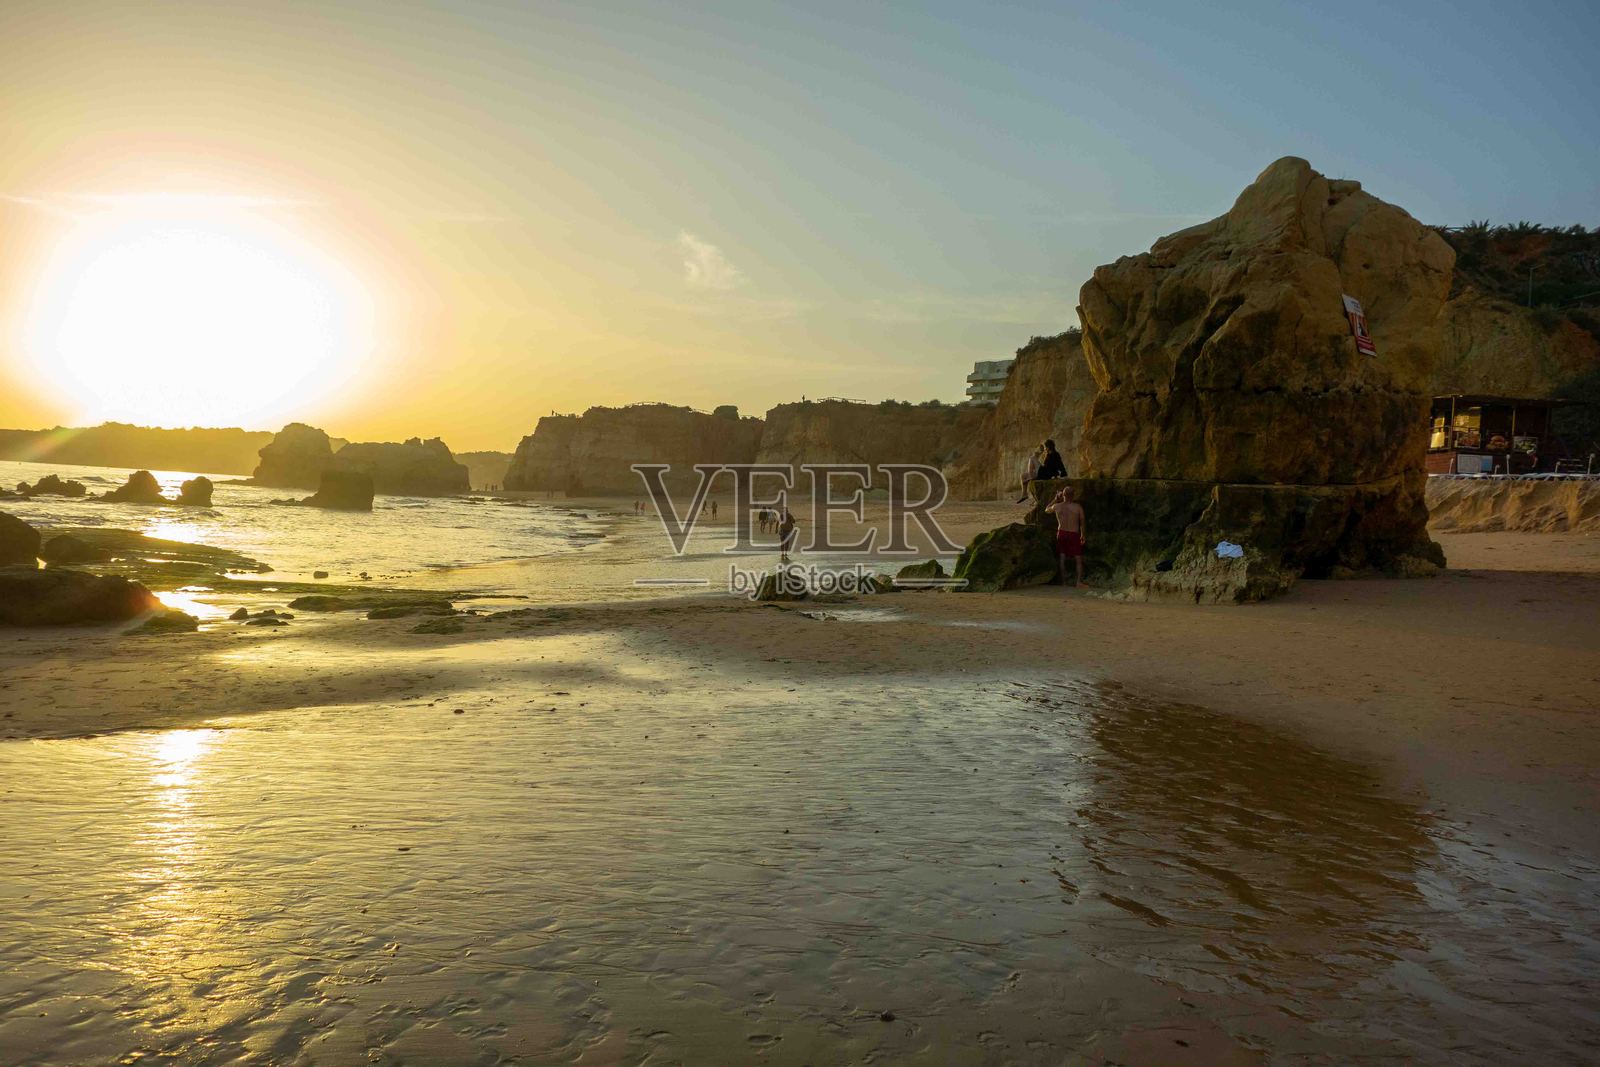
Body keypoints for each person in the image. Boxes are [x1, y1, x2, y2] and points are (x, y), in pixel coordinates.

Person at [1045, 485, 1086, 589]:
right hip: (1074, 534)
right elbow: (1082, 522)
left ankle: (1064, 583)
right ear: (1073, 495)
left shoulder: (1057, 506)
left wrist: (1055, 499)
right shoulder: (1077, 507)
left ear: (1063, 495)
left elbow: (1046, 510)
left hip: (1062, 533)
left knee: (1062, 558)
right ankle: (1078, 582)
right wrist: (1083, 534)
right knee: (1078, 559)